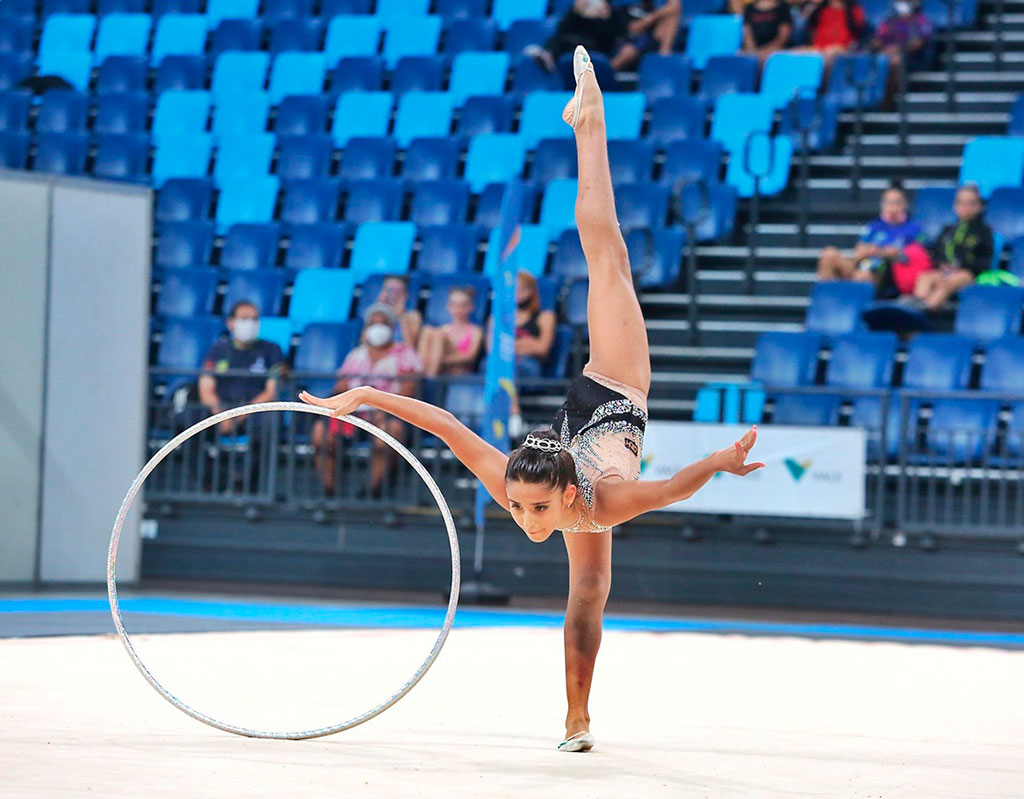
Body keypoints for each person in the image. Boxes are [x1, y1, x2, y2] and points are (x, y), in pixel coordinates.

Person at [301, 47, 764, 753]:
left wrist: (719, 463)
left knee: (602, 247)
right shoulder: (556, 492)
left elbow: (670, 488)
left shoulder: (599, 497)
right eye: (519, 505)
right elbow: (445, 422)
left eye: (531, 507)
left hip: (613, 376)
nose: (522, 516)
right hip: (604, 404)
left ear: (562, 491)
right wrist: (365, 391)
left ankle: (589, 123)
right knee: (589, 591)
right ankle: (577, 718)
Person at [310, 303, 423, 497]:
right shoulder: (356, 355)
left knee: (388, 435)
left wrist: (384, 410)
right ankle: (329, 489)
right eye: (373, 324)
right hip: (353, 415)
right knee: (321, 433)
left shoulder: (404, 354)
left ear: (391, 327)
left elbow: (408, 390)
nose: (377, 329)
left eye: (383, 324)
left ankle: (374, 489)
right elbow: (341, 387)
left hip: (388, 414)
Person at [525, 0, 681, 74]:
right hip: (613, 43)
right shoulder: (625, 10)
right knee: (567, 35)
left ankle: (605, 72)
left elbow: (675, 6)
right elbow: (628, 29)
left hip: (643, 47)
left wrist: (650, 19)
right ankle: (548, 53)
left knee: (631, 50)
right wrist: (578, 10)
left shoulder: (658, 18)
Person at [199, 301, 285, 432]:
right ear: (230, 322)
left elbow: (271, 391)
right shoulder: (217, 349)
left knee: (270, 419)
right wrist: (221, 415)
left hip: (254, 413)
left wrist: (240, 415)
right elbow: (206, 388)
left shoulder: (272, 349)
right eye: (244, 319)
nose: (250, 324)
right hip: (220, 411)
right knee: (192, 415)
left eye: (254, 319)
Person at [816, 187, 926, 287]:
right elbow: (860, 250)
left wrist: (878, 251)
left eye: (896, 202)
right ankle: (825, 302)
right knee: (829, 254)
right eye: (888, 202)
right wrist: (880, 251)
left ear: (905, 204)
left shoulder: (913, 228)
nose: (893, 207)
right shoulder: (874, 226)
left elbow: (907, 255)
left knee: (862, 276)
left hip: (884, 274)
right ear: (882, 205)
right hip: (862, 265)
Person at [914, 184, 995, 310]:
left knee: (946, 283)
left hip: (968, 274)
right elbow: (936, 253)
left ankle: (926, 310)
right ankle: (916, 307)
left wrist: (962, 268)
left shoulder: (984, 231)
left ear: (979, 207)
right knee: (924, 277)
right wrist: (942, 265)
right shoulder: (948, 229)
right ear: (955, 206)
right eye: (961, 203)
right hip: (945, 271)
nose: (965, 207)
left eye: (971, 203)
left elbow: (985, 261)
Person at [874, 0, 933, 106]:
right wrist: (885, 49)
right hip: (887, 55)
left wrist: (898, 49)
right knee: (882, 60)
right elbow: (877, 41)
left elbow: (918, 44)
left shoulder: (920, 20)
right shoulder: (888, 22)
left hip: (912, 57)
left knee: (895, 61)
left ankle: (888, 103)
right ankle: (878, 100)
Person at [417, 286, 484, 378]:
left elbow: (470, 356)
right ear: (449, 307)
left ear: (471, 307)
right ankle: (423, 378)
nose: (458, 309)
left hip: (459, 371)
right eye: (454, 305)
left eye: (463, 305)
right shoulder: (442, 329)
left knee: (439, 335)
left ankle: (429, 382)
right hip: (440, 370)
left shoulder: (475, 331)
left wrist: (439, 359)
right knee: (427, 330)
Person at [799, 0, 866, 68]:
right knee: (796, 53)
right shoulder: (819, 10)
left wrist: (844, 47)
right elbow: (808, 27)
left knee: (828, 54)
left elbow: (859, 35)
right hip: (818, 48)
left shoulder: (854, 10)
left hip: (842, 48)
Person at [375, 275, 422, 348]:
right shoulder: (375, 316)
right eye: (388, 290)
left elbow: (410, 347)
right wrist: (379, 311)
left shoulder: (413, 317)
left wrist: (401, 317)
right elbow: (365, 343)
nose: (392, 295)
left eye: (397, 291)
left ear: (405, 295)